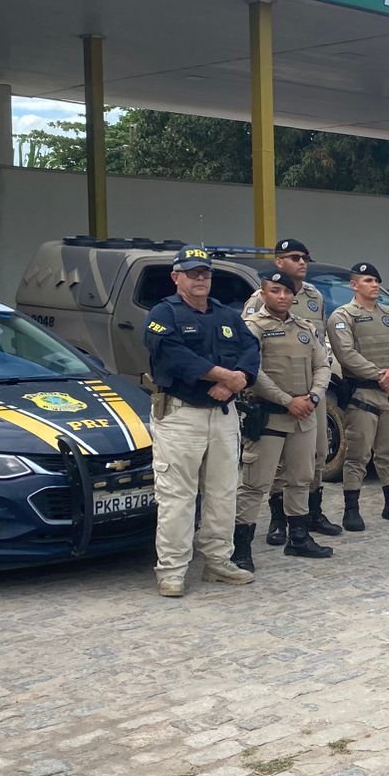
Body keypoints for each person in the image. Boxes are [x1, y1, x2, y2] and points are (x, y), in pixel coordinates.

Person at [143, 245, 260, 596]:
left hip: (222, 415)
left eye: (205, 273)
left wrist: (237, 379)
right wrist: (223, 375)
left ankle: (217, 561)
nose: (200, 279)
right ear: (176, 277)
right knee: (177, 495)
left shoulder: (225, 314)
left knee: (223, 492)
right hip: (181, 415)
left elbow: (250, 348)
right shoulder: (164, 313)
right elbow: (173, 355)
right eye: (193, 273)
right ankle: (172, 571)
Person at [245, 239, 342, 544]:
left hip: (311, 394)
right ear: (278, 262)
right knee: (276, 464)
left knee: (316, 454)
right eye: (295, 257)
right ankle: (278, 520)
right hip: (276, 399)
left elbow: (320, 345)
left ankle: (310, 515)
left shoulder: (314, 296)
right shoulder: (257, 305)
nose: (302, 262)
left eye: (305, 257)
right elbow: (250, 358)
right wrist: (286, 400)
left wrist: (314, 394)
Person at [233, 272, 332, 568]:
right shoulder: (253, 327)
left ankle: (298, 538)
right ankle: (241, 549)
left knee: (301, 478)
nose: (282, 297)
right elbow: (254, 372)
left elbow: (322, 364)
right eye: (275, 291)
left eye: (287, 292)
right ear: (264, 294)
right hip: (269, 416)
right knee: (255, 483)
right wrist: (287, 401)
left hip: (303, 416)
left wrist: (313, 397)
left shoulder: (304, 327)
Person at [327, 262, 389, 529]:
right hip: (363, 395)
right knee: (358, 455)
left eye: (377, 281)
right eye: (368, 280)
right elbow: (346, 354)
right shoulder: (343, 317)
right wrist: (380, 374)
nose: (375, 285)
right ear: (354, 285)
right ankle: (351, 509)